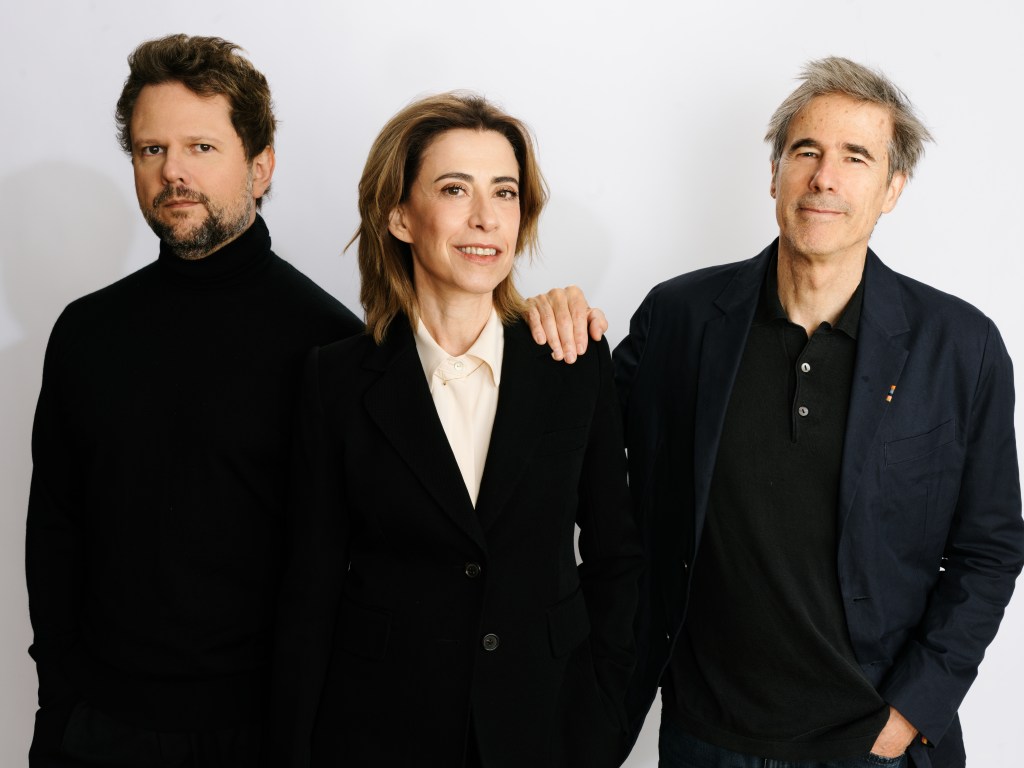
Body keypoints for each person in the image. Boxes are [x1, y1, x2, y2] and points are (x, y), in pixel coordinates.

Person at [529, 57, 1023, 768]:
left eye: (856, 157)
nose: (825, 176)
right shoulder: (681, 319)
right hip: (708, 737)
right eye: (806, 152)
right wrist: (544, 321)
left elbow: (990, 548)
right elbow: (572, 449)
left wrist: (915, 706)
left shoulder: (961, 347)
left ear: (893, 189)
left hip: (873, 745)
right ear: (774, 175)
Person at [269, 92, 642, 768]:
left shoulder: (572, 361)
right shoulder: (336, 379)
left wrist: (605, 719)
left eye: (504, 192)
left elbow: (618, 556)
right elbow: (310, 586)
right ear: (401, 216)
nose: (485, 218)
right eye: (454, 189)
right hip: (378, 734)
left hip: (546, 730)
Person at [25, 34, 364, 767]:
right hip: (98, 727)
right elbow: (54, 530)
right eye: (151, 150)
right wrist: (59, 704)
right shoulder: (86, 333)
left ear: (261, 165)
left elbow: (352, 570)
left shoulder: (331, 344)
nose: (172, 172)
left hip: (264, 732)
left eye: (201, 147)